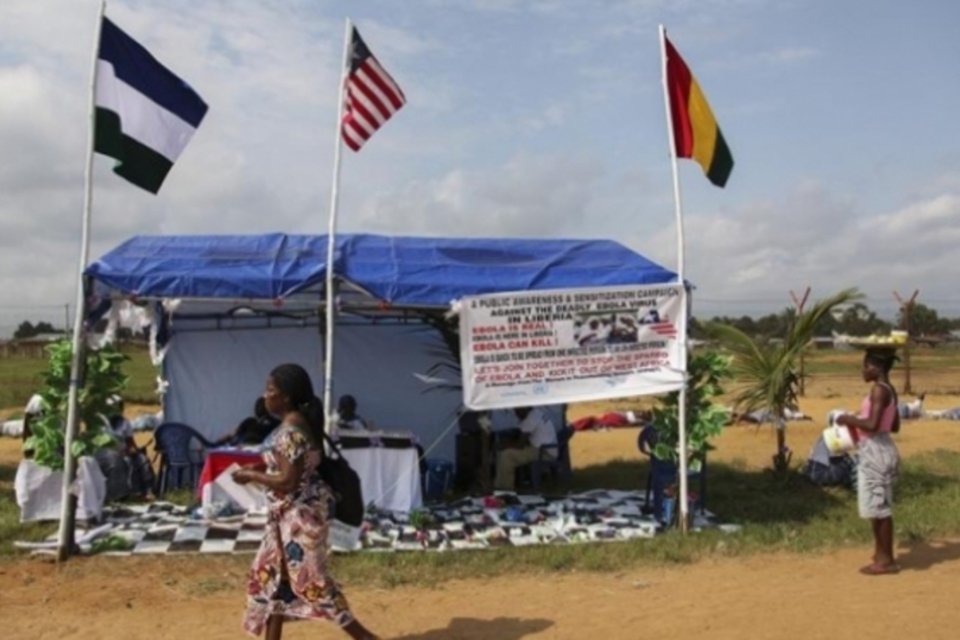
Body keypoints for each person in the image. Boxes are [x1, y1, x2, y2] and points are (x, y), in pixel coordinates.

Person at [232, 363, 378, 640]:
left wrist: (250, 474)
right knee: (275, 581)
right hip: (291, 519)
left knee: (315, 585)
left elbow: (288, 481)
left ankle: (366, 637)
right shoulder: (298, 424)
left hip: (298, 520)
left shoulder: (290, 431)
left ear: (285, 397)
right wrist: (263, 468)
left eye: (270, 390)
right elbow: (295, 467)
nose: (265, 395)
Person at [835, 348, 901, 575]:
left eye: (865, 366)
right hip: (879, 448)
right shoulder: (889, 390)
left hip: (875, 451)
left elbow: (873, 426)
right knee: (877, 505)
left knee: (879, 507)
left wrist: (847, 419)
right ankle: (882, 554)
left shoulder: (878, 391)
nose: (863, 370)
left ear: (876, 367)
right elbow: (893, 425)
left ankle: (886, 561)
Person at [493, 406, 558, 491]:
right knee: (504, 452)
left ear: (524, 409)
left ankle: (506, 488)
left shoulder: (531, 418)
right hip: (546, 449)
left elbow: (520, 444)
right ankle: (499, 485)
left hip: (545, 452)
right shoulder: (536, 412)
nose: (516, 414)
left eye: (517, 411)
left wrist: (504, 445)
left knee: (507, 455)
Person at [216, 397, 281, 447]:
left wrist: (218, 443)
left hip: (245, 447)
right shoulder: (277, 423)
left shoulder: (249, 421)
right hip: (261, 449)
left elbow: (232, 434)